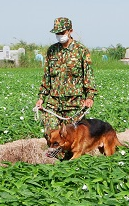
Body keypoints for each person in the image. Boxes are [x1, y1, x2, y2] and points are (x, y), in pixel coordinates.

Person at [35, 17, 98, 157]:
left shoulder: (81, 51)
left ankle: (69, 165)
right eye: (57, 33)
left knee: (72, 138)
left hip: (74, 103)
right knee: (50, 133)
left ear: (70, 31)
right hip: (53, 102)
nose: (59, 35)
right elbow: (47, 77)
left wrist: (90, 96)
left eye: (62, 32)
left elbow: (88, 75)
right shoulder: (52, 51)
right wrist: (41, 98)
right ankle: (58, 160)